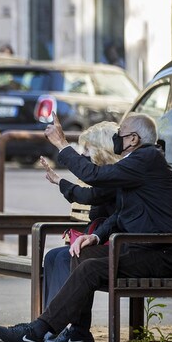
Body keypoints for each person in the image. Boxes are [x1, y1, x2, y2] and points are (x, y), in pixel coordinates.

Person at [0, 112, 172, 342]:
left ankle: (35, 332)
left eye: (121, 134)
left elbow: (94, 177)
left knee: (90, 268)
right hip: (141, 247)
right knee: (83, 252)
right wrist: (95, 237)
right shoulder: (139, 163)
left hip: (163, 252)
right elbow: (121, 214)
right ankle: (78, 335)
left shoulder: (147, 158)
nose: (117, 138)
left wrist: (62, 145)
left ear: (134, 139)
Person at [39, 121, 120, 311]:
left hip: (119, 245)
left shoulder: (115, 177)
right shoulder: (105, 176)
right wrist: (58, 180)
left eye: (87, 149)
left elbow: (88, 196)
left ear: (102, 151)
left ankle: (65, 329)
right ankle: (47, 323)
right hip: (107, 242)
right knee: (52, 256)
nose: (83, 155)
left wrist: (60, 180)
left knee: (65, 259)